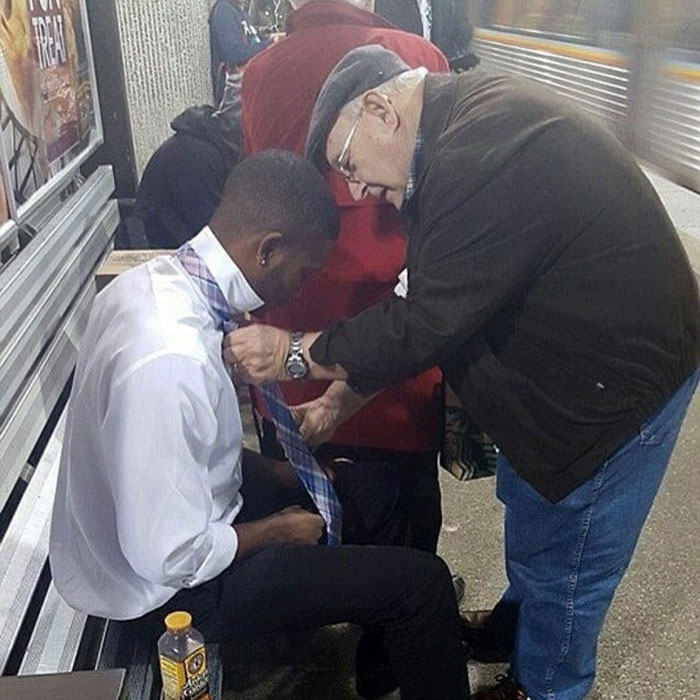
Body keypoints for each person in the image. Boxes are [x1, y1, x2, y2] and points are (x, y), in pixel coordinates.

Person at [224, 47, 700, 700]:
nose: (356, 189)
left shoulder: (483, 152)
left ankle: (545, 684)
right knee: (532, 510)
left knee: (573, 560)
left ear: (382, 111)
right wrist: (339, 403)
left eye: (350, 166)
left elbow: (425, 323)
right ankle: (518, 622)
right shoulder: (446, 141)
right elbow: (423, 300)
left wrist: (292, 353)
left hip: (616, 391)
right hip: (561, 373)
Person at [49, 150, 469, 700]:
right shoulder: (170, 361)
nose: (303, 288)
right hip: (170, 595)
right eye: (306, 270)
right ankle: (405, 620)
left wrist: (283, 471)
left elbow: (188, 450)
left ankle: (383, 661)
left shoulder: (158, 282)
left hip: (187, 523)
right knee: (425, 587)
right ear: (268, 250)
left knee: (375, 488)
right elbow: (171, 556)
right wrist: (276, 532)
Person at [241, 0, 449, 561]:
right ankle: (396, 623)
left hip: (286, 349)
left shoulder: (259, 72)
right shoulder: (419, 58)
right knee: (401, 529)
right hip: (397, 354)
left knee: (306, 518)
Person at [134, 92, 244, 249]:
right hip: (158, 252)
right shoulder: (196, 156)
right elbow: (215, 242)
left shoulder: (214, 146)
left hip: (177, 246)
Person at [373, 0, 475, 68]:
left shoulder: (445, 3)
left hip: (433, 83)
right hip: (393, 81)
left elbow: (460, 36)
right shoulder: (379, 3)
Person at [209, 0, 273, 103]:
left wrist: (272, 40)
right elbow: (234, 54)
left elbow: (253, 39)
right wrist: (268, 45)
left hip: (249, 87)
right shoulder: (224, 10)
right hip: (234, 94)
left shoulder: (240, 11)